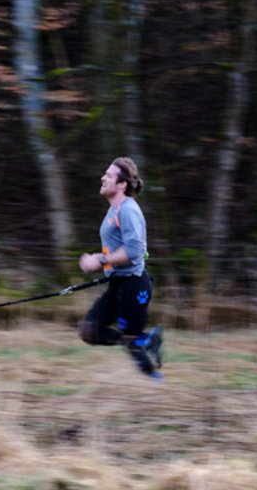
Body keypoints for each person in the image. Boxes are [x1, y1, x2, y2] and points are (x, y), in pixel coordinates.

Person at [78, 156, 163, 379]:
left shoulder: (128, 210)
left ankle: (156, 381)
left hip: (134, 284)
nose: (103, 177)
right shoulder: (112, 213)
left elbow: (134, 251)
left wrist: (101, 261)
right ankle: (146, 341)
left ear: (122, 184)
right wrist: (100, 257)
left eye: (108, 175)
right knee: (90, 330)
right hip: (118, 283)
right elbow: (118, 249)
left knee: (132, 341)